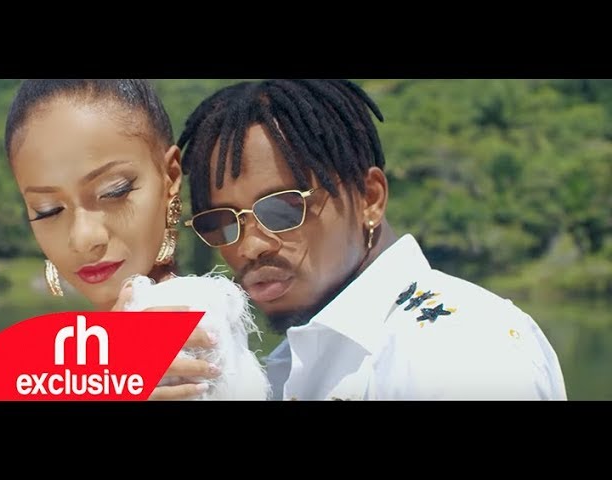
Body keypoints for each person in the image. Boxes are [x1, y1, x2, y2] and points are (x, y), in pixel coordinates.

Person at [176, 79, 568, 400]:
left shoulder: (460, 350)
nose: (249, 247)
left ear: (370, 198)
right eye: (220, 223)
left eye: (282, 210)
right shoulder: (284, 367)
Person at [4, 79, 269, 400]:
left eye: (113, 191)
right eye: (48, 210)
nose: (84, 238)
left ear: (170, 176)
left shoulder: (174, 321)